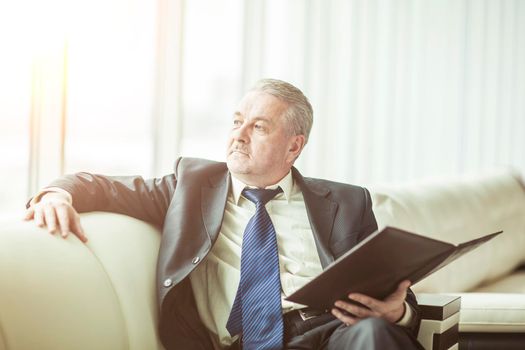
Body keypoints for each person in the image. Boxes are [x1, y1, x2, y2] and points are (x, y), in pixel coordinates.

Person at [25, 79, 423, 350]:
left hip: (328, 334)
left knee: (373, 334)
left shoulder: (348, 202)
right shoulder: (191, 185)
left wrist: (399, 312)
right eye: (237, 122)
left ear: (294, 146)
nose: (239, 135)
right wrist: (57, 194)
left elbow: (392, 289)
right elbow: (102, 186)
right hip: (238, 341)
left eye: (259, 127)